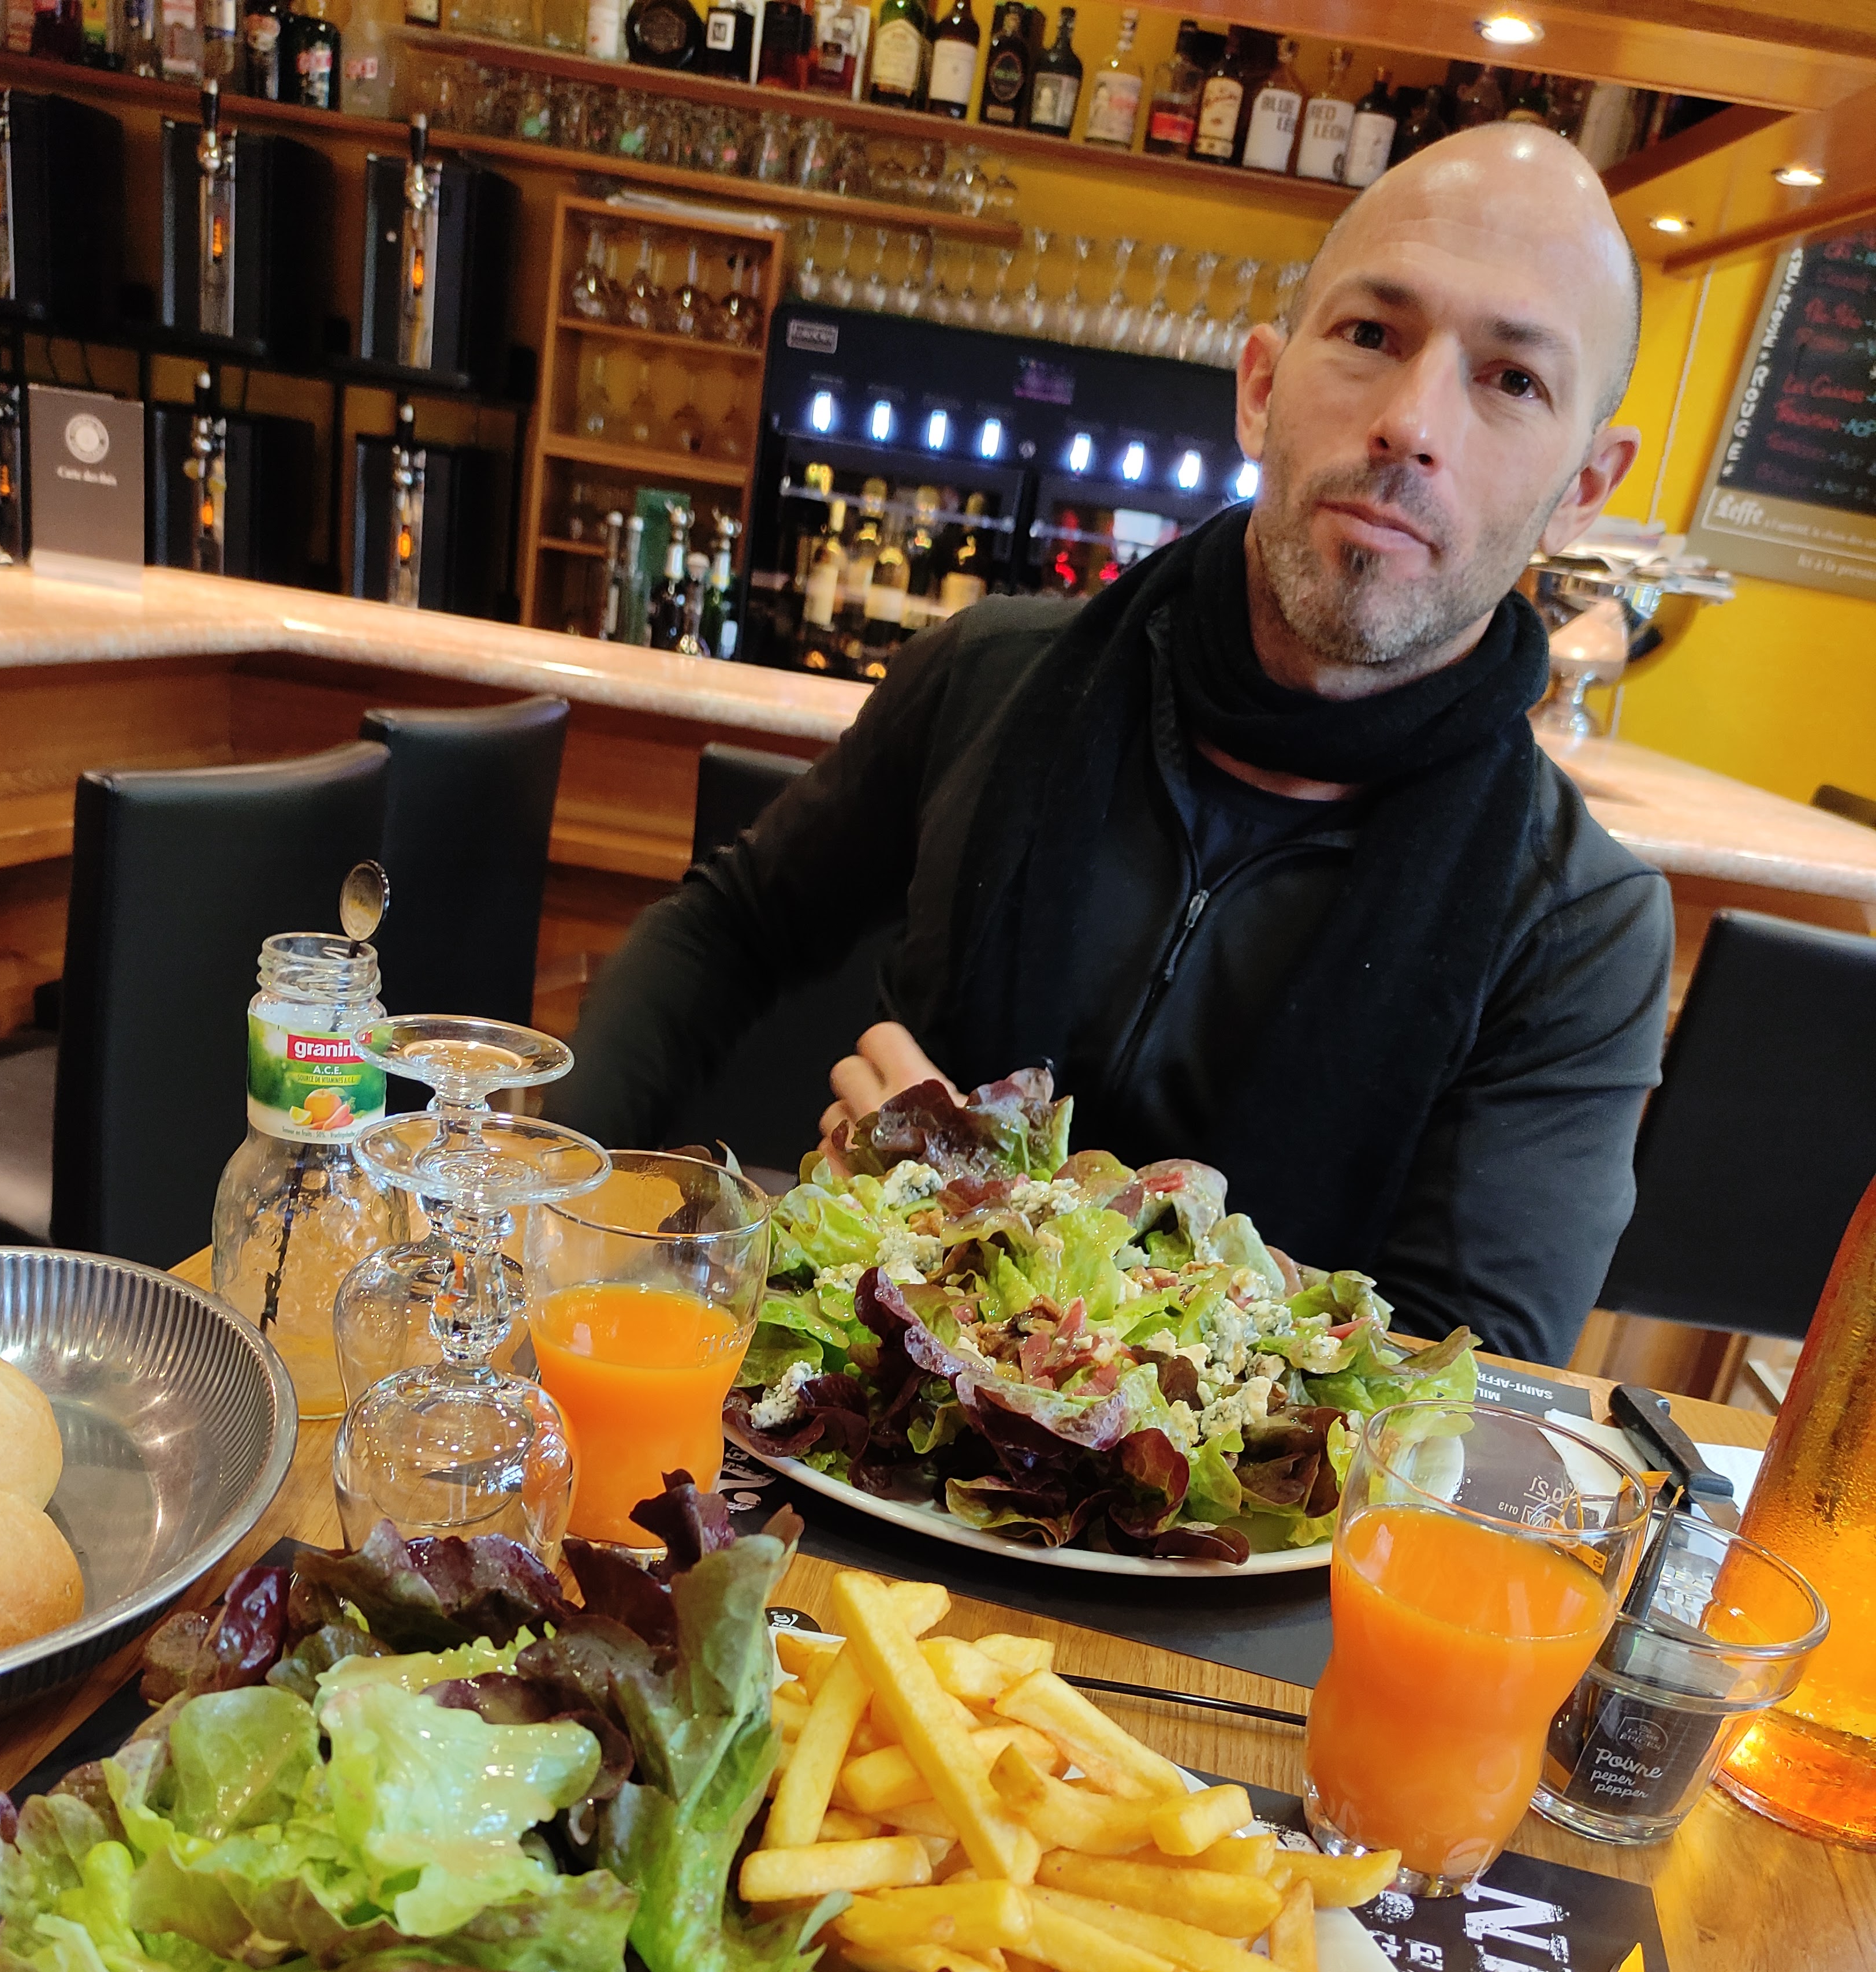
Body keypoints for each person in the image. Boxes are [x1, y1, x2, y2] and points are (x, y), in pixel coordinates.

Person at [549, 124, 1670, 1366]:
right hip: (842, 1406)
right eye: (1369, 333)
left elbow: (1472, 1365)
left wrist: (997, 1228)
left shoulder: (1579, 923)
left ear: (1583, 486)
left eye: (1512, 380)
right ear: (1260, 387)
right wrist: (543, 1193)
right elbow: (730, 928)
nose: (1413, 421)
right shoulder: (990, 675)